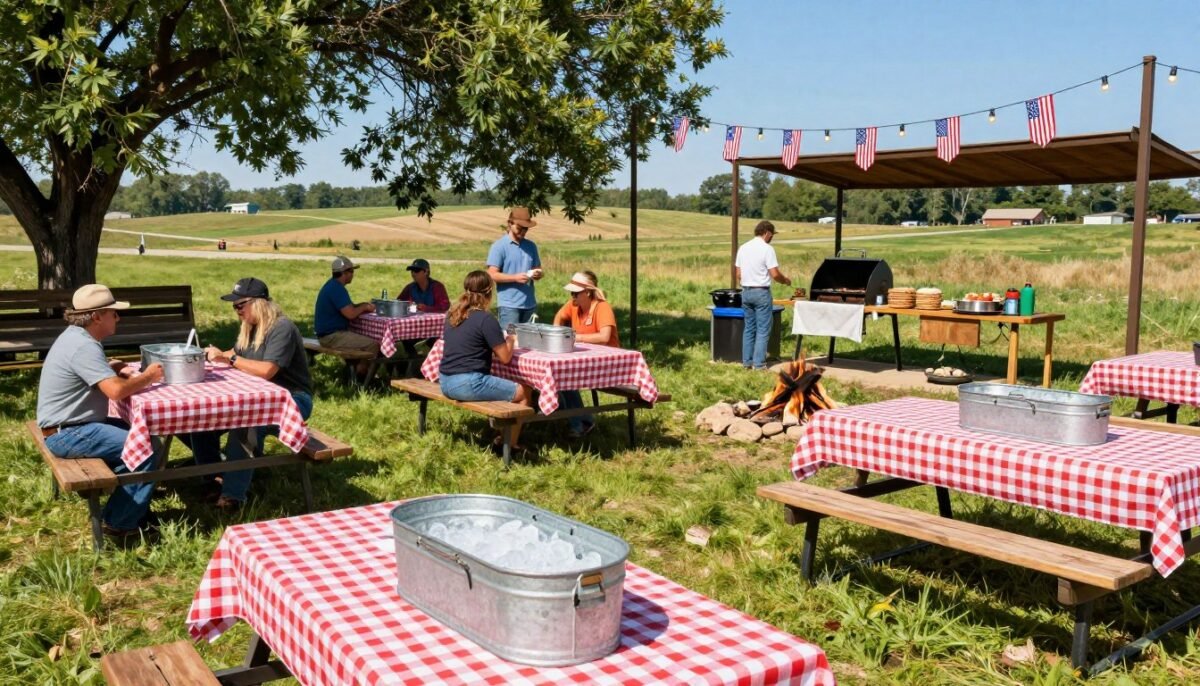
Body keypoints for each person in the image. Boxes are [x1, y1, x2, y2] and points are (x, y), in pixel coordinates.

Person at [36, 284, 165, 539]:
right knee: (146, 448)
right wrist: (148, 376)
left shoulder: (77, 338)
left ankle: (130, 500)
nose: (118, 317)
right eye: (113, 313)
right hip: (69, 432)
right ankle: (119, 523)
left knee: (142, 437)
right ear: (96, 316)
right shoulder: (84, 346)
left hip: (69, 425)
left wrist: (113, 366)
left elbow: (93, 369)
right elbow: (116, 392)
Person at [191, 278, 314, 510]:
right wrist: (215, 355)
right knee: (201, 420)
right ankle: (213, 479)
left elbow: (267, 370)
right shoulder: (250, 328)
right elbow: (235, 353)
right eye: (234, 306)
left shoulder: (282, 328)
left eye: (240, 305)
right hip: (257, 398)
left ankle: (233, 497)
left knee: (246, 424)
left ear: (258, 303)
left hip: (292, 399)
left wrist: (230, 359)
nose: (236, 311)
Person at [439, 271, 534, 451]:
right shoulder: (485, 319)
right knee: (525, 391)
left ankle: (500, 432)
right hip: (468, 383)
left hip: (445, 381)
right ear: (489, 292)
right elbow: (505, 358)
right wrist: (511, 339)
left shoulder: (452, 314)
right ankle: (511, 444)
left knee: (501, 385)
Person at [552, 271, 619, 438]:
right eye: (571, 292)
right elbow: (559, 317)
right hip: (583, 360)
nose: (572, 296)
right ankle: (577, 418)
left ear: (588, 292)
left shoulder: (602, 307)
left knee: (565, 379)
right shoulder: (573, 305)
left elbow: (604, 337)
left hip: (608, 364)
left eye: (575, 292)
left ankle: (581, 423)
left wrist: (576, 337)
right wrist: (557, 334)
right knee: (560, 375)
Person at [735, 220, 792, 370]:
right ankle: (759, 365)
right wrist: (785, 280)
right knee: (763, 329)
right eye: (772, 234)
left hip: (746, 292)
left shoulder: (743, 248)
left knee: (749, 328)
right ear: (767, 233)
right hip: (761, 292)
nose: (772, 237)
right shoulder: (767, 249)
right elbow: (774, 274)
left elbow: (738, 274)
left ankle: (747, 362)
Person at [313, 255, 379, 377]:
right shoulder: (337, 289)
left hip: (326, 334)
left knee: (362, 339)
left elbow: (349, 307)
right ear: (345, 273)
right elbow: (351, 314)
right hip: (331, 336)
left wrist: (362, 305)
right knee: (373, 344)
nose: (353, 274)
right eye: (352, 271)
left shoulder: (332, 285)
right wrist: (364, 307)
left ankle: (355, 371)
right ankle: (363, 375)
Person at [486, 207, 543, 329]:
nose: (523, 232)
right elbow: (491, 274)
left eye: (526, 228)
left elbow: (538, 268)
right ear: (510, 223)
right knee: (510, 341)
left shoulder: (531, 246)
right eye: (519, 228)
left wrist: (538, 274)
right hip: (509, 306)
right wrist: (515, 278)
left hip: (530, 304)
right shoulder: (499, 246)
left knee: (530, 343)